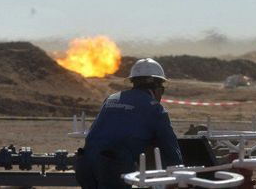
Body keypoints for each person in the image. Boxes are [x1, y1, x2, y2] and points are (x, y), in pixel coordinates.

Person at [75, 58, 183, 189]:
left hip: (84, 165)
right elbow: (171, 148)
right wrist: (180, 174)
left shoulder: (111, 99)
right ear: (157, 88)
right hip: (112, 168)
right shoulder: (155, 108)